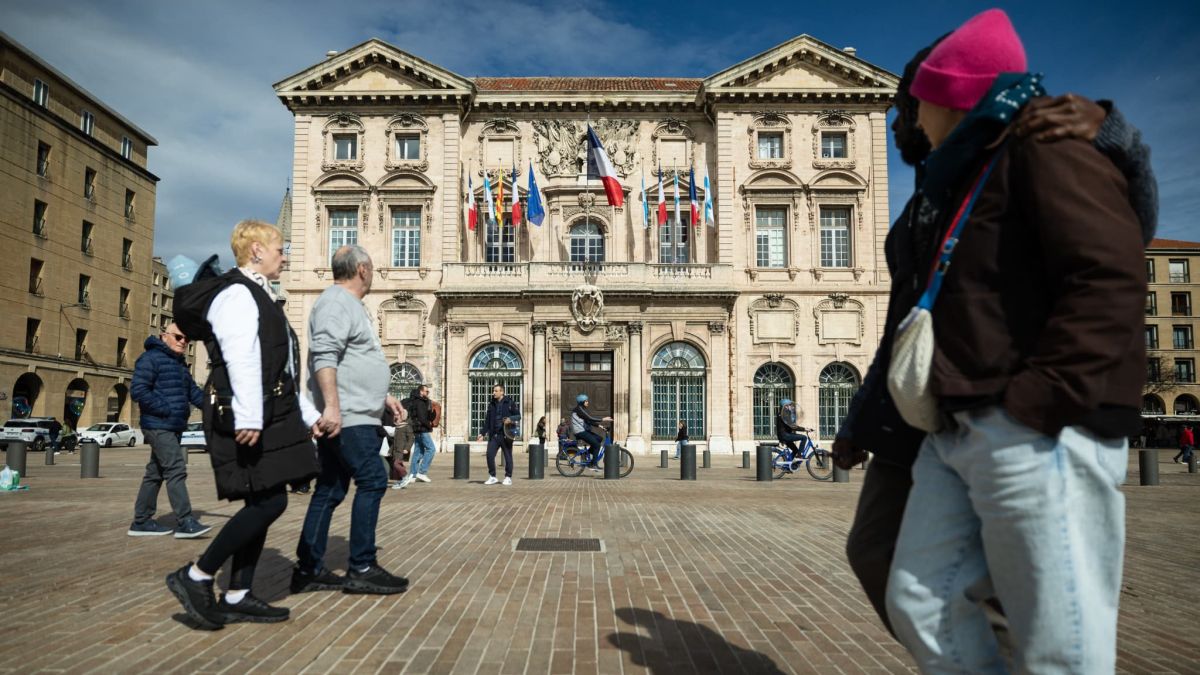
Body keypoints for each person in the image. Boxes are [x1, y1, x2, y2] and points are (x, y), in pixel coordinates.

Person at [834, 23, 1159, 639]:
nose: (902, 118)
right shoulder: (929, 198)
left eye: (911, 102)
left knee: (1039, 617)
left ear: (950, 97)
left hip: (1012, 409)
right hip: (939, 409)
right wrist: (860, 418)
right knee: (890, 566)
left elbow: (1115, 256)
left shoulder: (1033, 149)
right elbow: (909, 319)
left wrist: (1033, 402)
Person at [165, 220, 322, 630]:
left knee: (263, 500)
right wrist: (249, 415)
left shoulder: (262, 296)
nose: (284, 256)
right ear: (255, 250)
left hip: (266, 408)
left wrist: (310, 416)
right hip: (243, 411)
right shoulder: (237, 292)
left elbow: (281, 369)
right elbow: (241, 356)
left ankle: (236, 593)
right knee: (271, 501)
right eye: (279, 249)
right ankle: (197, 575)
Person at [293, 245, 409, 595]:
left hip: (357, 410)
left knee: (330, 488)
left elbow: (354, 361)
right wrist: (330, 407)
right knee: (373, 478)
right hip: (349, 416)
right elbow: (324, 357)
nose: (373, 275)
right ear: (362, 269)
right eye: (371, 269)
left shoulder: (350, 306)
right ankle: (361, 565)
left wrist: (383, 396)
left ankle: (309, 567)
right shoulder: (335, 303)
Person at [128, 323, 212, 539]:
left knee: (155, 473)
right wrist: (164, 408)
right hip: (157, 424)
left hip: (173, 426)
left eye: (187, 338)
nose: (183, 341)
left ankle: (141, 521)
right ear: (164, 336)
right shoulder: (150, 359)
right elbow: (138, 390)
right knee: (176, 468)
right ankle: (185, 522)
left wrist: (216, 407)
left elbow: (194, 393)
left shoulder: (179, 364)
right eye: (178, 337)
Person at [477, 383, 520, 485]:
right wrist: (482, 433)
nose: (493, 393)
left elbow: (518, 416)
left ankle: (508, 477)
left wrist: (510, 419)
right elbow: (487, 420)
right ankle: (493, 476)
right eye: (493, 391)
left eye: (496, 391)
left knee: (508, 456)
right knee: (489, 455)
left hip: (506, 434)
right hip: (494, 435)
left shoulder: (509, 402)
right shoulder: (492, 404)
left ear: (502, 392)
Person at [397, 385, 436, 487]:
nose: (428, 393)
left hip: (418, 430)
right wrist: (429, 426)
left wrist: (433, 412)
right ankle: (422, 472)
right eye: (426, 391)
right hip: (421, 429)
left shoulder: (423, 402)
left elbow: (428, 416)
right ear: (421, 392)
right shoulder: (419, 402)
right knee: (431, 449)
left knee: (418, 452)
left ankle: (413, 475)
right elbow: (422, 418)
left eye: (428, 392)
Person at [570, 394, 611, 469]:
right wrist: (602, 419)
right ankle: (593, 464)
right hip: (580, 432)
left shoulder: (581, 409)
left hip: (583, 430)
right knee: (597, 445)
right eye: (586, 401)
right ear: (582, 402)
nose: (588, 402)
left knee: (599, 439)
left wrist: (601, 426)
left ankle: (586, 453)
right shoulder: (579, 409)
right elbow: (590, 418)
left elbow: (588, 421)